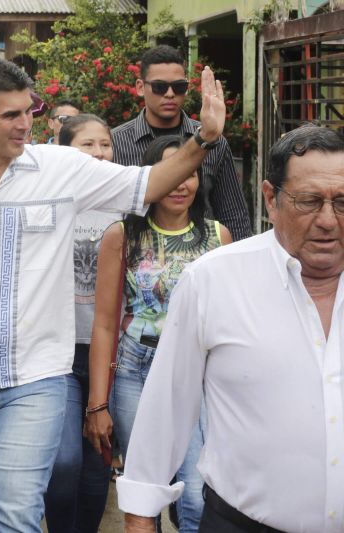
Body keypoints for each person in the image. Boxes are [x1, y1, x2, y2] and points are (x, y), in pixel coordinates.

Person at [0, 56, 227, 533]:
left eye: (29, 111)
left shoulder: (61, 168)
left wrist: (202, 137)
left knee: (16, 516)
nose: (26, 124)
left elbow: (150, 183)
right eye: (11, 115)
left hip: (34, 379)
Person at [118, 125, 344, 533]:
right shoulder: (214, 280)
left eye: (343, 202)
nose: (328, 220)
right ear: (271, 199)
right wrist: (140, 513)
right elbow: (169, 402)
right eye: (309, 201)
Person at [86, 134, 231, 533]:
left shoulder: (218, 237)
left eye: (191, 174)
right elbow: (104, 323)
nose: (182, 184)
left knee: (196, 495)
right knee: (143, 492)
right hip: (137, 368)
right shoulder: (122, 235)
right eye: (174, 174)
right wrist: (97, 405)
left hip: (197, 373)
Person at [42, 114, 117, 533]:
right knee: (65, 459)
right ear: (63, 150)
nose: (98, 153)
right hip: (60, 350)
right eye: (87, 144)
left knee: (98, 460)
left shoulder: (128, 203)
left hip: (112, 354)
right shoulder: (49, 200)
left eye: (104, 144)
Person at [112, 44, 251, 242]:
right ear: (140, 87)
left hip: (202, 255)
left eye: (178, 87)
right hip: (137, 260)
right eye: (160, 87)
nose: (170, 94)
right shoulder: (116, 143)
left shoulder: (212, 140)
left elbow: (233, 215)